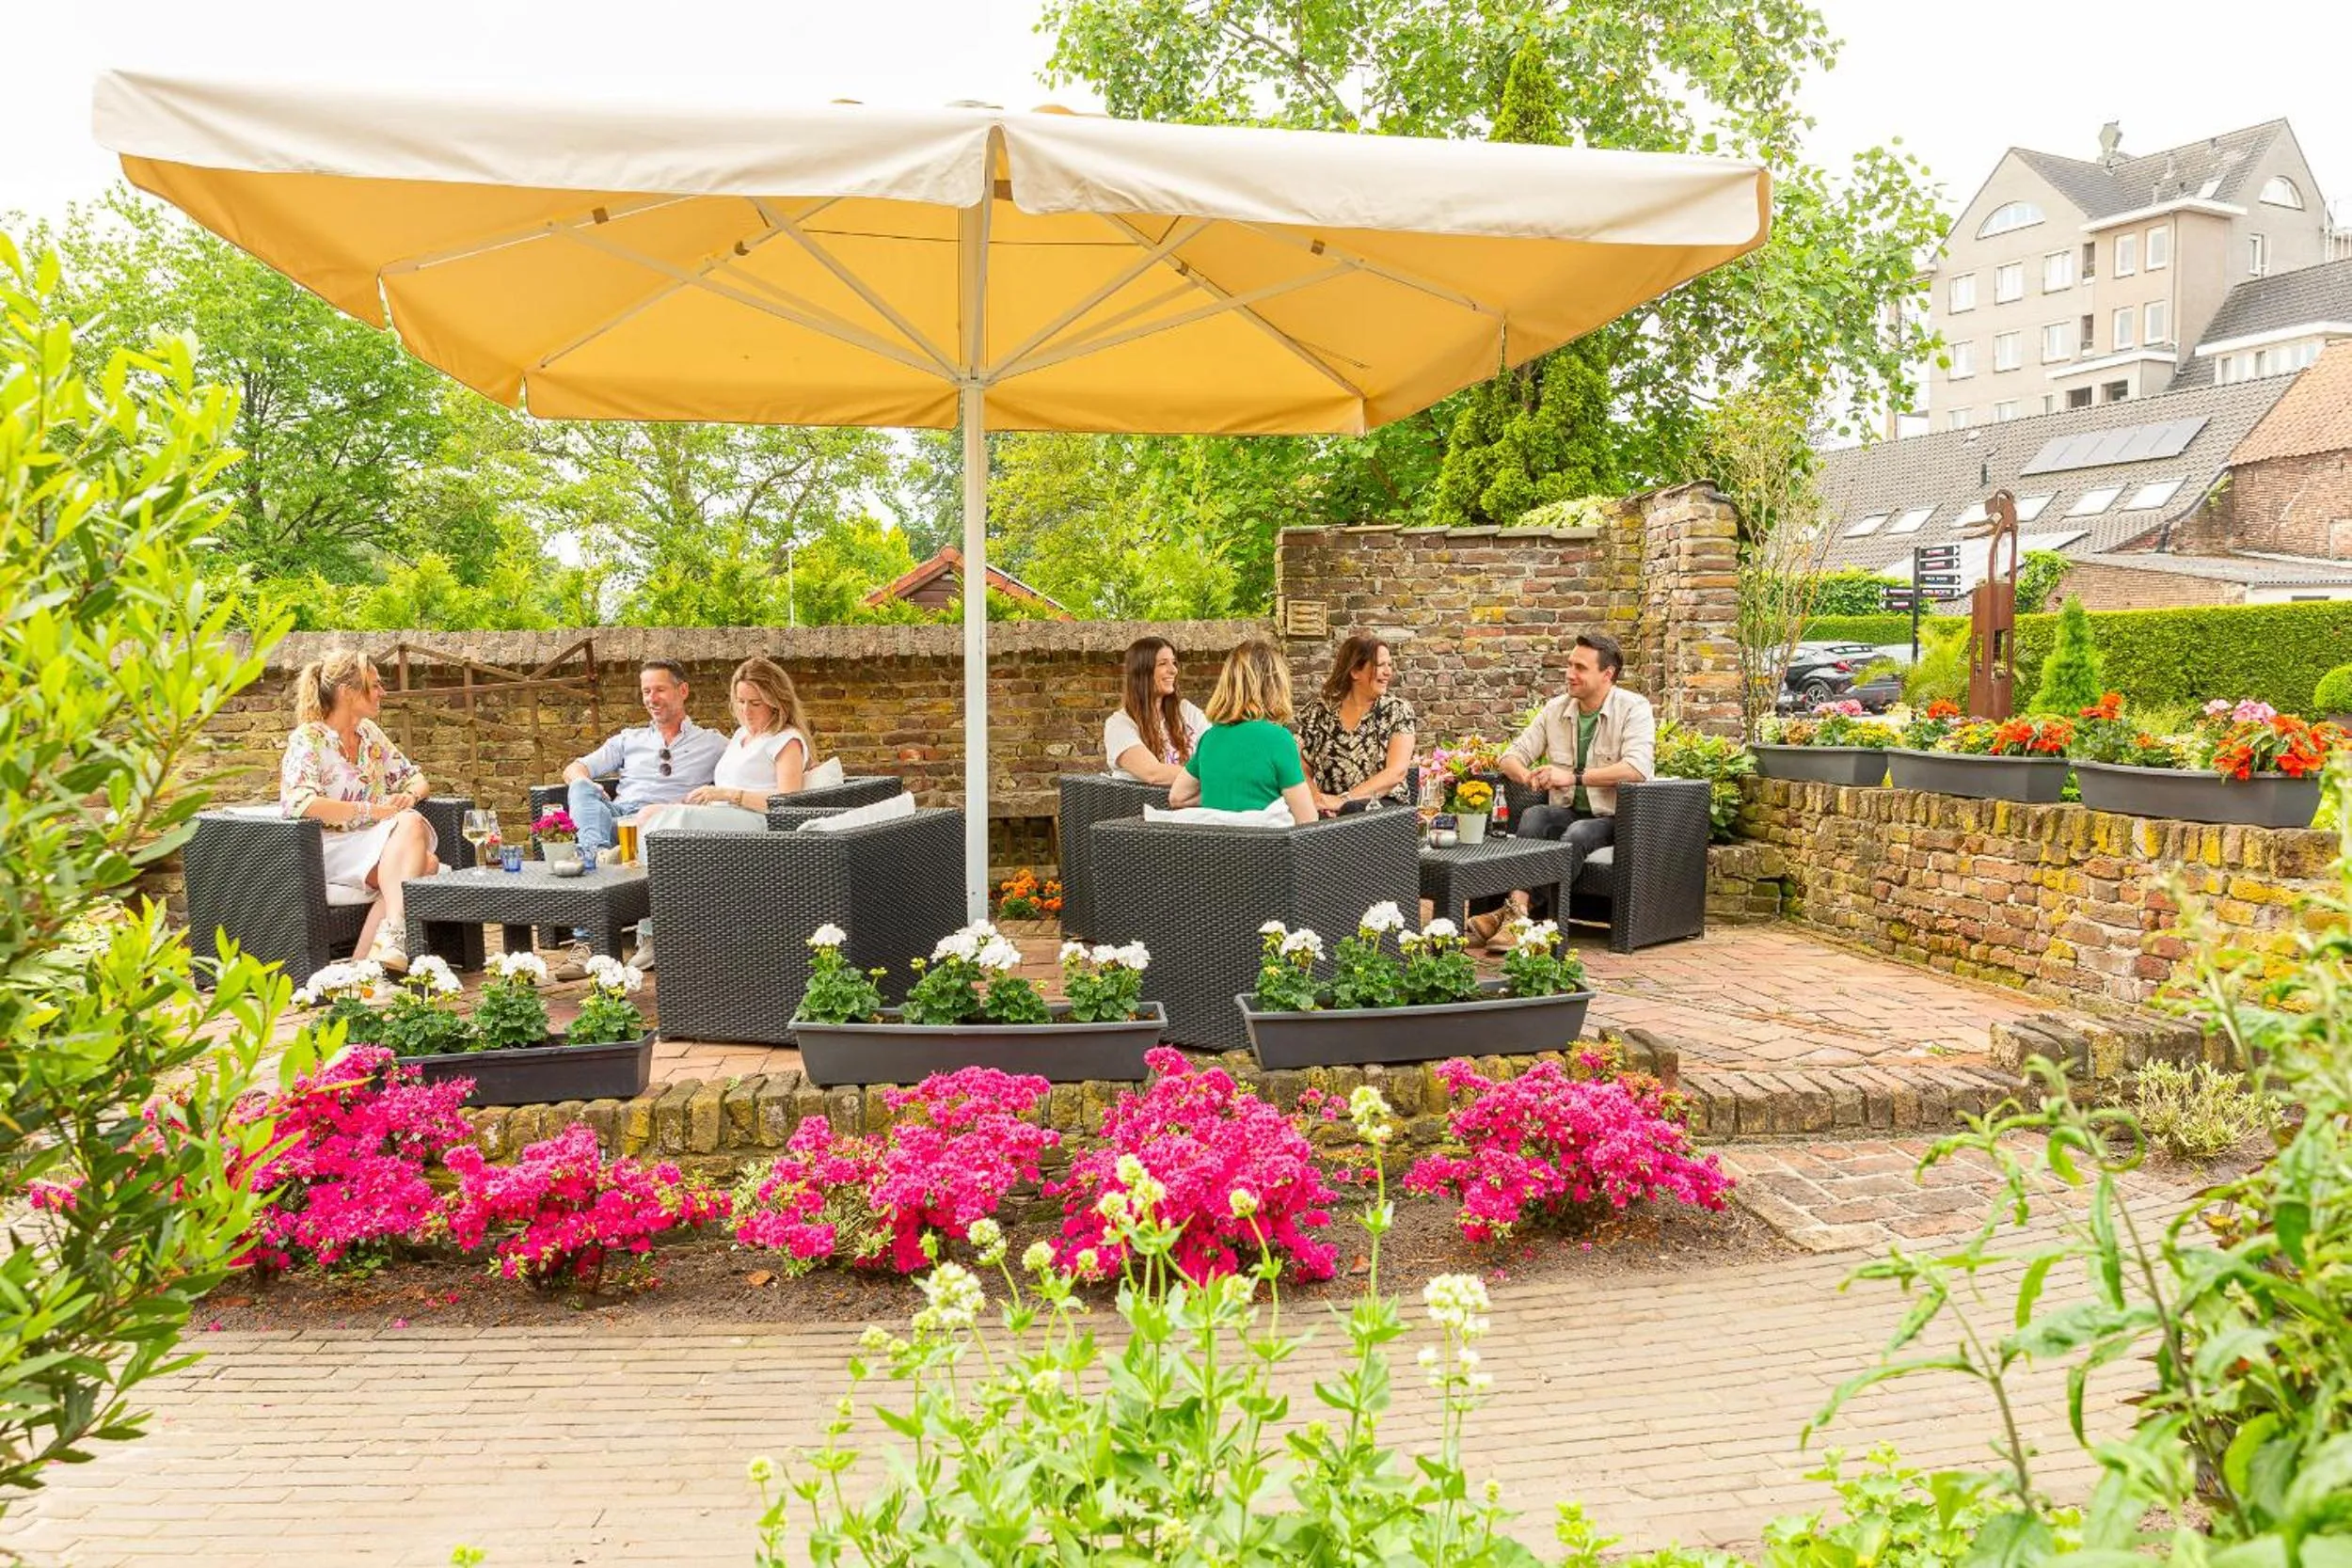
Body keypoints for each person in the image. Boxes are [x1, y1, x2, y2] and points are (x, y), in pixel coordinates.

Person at [1466, 632, 1659, 948]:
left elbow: (1636, 770)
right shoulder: (1557, 709)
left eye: (1580, 668)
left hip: (1616, 815)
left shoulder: (1633, 708)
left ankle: (1512, 915)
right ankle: (1518, 917)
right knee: (1535, 815)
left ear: (1607, 674)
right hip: (1567, 808)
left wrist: (1573, 777)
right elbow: (1510, 757)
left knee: (1579, 832)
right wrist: (1529, 776)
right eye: (1570, 665)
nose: (1570, 674)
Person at [278, 651, 441, 973]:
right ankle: (391, 937)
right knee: (424, 860)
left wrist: (408, 796)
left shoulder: (369, 735)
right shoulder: (309, 739)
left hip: (372, 842)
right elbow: (302, 804)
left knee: (420, 848)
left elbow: (418, 780)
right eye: (375, 685)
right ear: (348, 692)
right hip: (324, 847)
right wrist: (372, 810)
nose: (383, 692)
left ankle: (362, 966)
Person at [561, 659, 727, 856]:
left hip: (663, 823)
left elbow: (744, 770)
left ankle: (594, 858)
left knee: (599, 830)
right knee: (580, 786)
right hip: (618, 820)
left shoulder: (713, 743)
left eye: (660, 690)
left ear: (683, 691)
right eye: (646, 692)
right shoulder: (628, 739)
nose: (652, 699)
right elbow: (574, 768)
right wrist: (585, 781)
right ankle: (598, 854)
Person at [1168, 638, 1317, 825]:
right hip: (1268, 850)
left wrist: (1225, 796)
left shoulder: (1210, 738)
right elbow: (1308, 819)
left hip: (1215, 851)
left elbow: (1177, 797)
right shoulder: (1279, 739)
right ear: (1276, 685)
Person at [1295, 632, 1417, 814]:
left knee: (1352, 809)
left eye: (1389, 665)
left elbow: (1397, 772)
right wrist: (1316, 800)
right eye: (1380, 665)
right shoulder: (1319, 711)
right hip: (1327, 811)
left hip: (1382, 810)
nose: (1388, 672)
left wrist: (1343, 800)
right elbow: (1301, 765)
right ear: (1354, 671)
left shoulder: (1397, 711)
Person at [1104, 636, 1209, 784]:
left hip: (1193, 803)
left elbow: (1216, 752)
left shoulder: (1187, 711)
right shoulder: (1119, 725)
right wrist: (1214, 775)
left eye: (1173, 663)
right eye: (1162, 664)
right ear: (1142, 672)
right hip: (1144, 806)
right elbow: (1153, 773)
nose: (1173, 670)